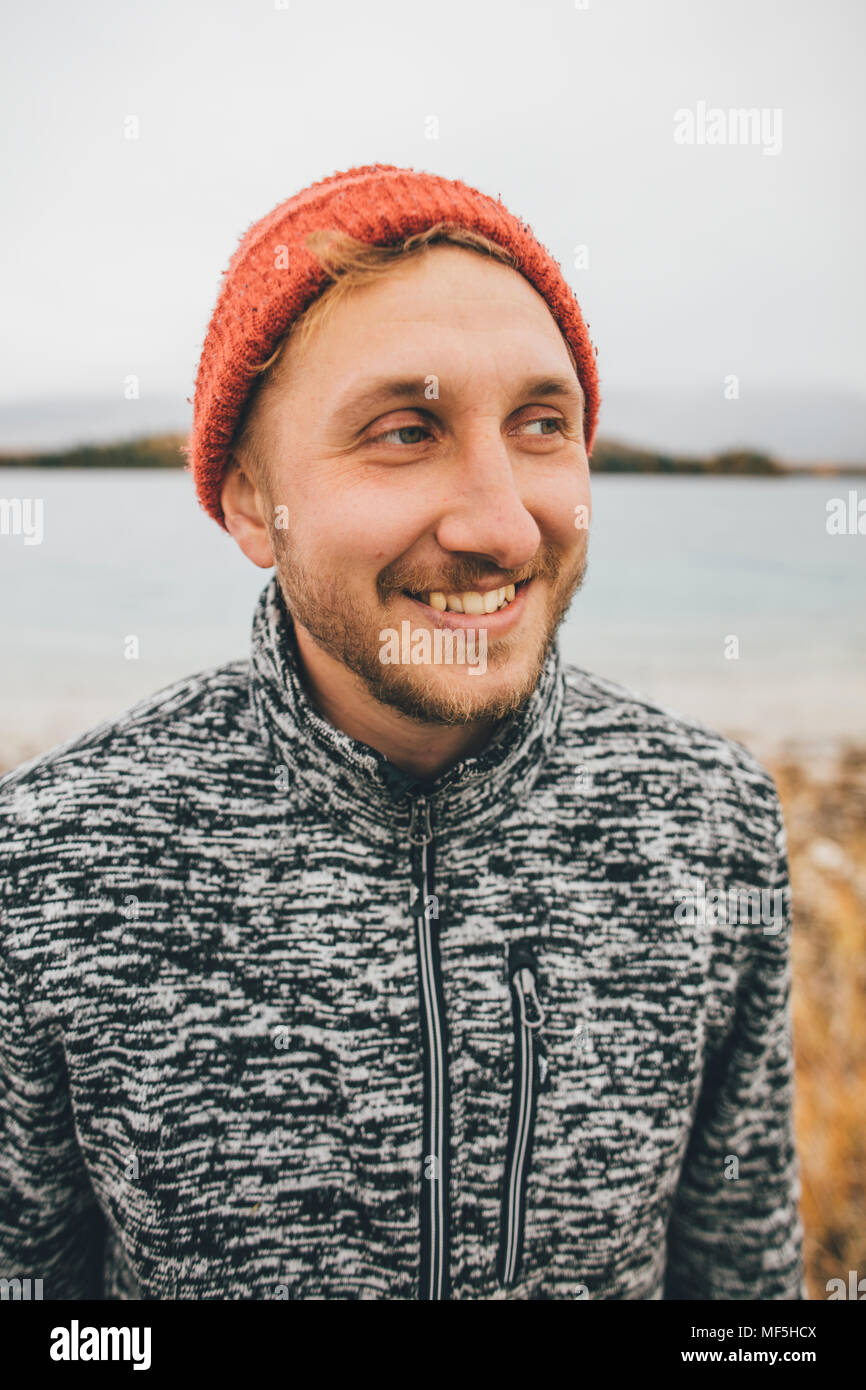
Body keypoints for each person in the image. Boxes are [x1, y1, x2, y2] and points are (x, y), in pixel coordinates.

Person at [0, 163, 806, 1300]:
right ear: (242, 499)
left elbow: (741, 1292)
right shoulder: (52, 859)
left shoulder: (706, 821)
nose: (499, 522)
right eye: (402, 430)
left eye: (541, 424)